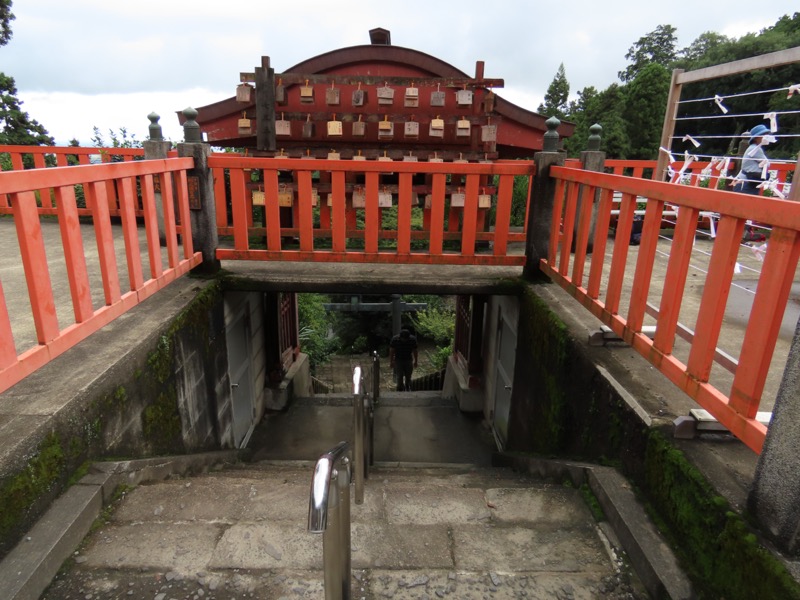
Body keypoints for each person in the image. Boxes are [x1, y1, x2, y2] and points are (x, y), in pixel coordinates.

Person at [733, 124, 771, 196]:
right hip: (747, 183)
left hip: (745, 181)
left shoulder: (753, 148)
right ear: (756, 137)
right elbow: (767, 163)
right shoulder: (756, 149)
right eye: (764, 135)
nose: (766, 137)